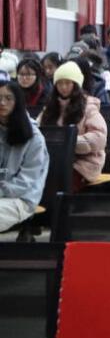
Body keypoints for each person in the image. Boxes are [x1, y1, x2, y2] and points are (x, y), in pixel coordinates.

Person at [40, 62, 107, 189]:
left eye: (68, 83)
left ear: (76, 84)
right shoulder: (50, 107)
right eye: (60, 83)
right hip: (54, 160)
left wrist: (70, 142)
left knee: (56, 181)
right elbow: (38, 129)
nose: (63, 87)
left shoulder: (88, 107)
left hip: (83, 163)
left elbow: (99, 137)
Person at [0, 80, 49, 235]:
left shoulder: (34, 138)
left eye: (8, 98)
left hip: (21, 198)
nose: (2, 103)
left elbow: (27, 181)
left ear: (18, 102)